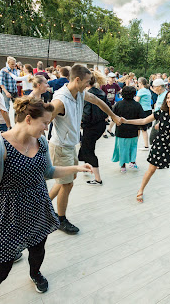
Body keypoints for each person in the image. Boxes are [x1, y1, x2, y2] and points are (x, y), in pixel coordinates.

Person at [0, 96, 92, 303]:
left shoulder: (41, 141)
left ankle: (35, 273)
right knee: (0, 270)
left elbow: (48, 172)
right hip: (7, 214)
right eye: (45, 123)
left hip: (38, 207)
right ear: (29, 119)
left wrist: (76, 167)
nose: (46, 129)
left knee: (38, 249)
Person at [48, 65, 121, 234]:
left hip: (70, 145)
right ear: (77, 80)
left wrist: (114, 116)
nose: (89, 84)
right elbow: (45, 121)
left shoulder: (80, 93)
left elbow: (98, 101)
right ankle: (60, 219)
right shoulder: (60, 100)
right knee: (67, 184)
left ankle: (41, 207)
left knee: (66, 180)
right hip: (60, 147)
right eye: (87, 81)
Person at [122, 90, 170, 204]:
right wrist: (127, 121)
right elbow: (144, 120)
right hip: (159, 144)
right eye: (168, 98)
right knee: (151, 169)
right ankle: (141, 189)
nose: (169, 100)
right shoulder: (161, 112)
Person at [78, 71, 109, 186]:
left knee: (89, 150)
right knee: (86, 146)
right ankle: (87, 167)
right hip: (100, 126)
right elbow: (108, 109)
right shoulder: (101, 92)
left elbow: (86, 114)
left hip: (91, 126)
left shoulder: (87, 95)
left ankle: (98, 179)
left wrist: (80, 122)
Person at [112, 86, 145, 173]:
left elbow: (113, 117)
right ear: (134, 94)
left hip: (120, 131)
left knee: (122, 148)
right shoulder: (137, 105)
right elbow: (142, 117)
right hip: (133, 131)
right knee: (133, 147)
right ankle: (133, 162)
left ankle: (123, 166)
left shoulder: (118, 104)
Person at [148, 78, 168, 146]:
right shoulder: (160, 94)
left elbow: (167, 110)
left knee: (153, 138)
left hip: (161, 119)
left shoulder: (165, 95)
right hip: (157, 117)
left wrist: (160, 121)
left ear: (159, 87)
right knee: (153, 139)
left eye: (154, 87)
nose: (154, 89)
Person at [101, 72, 121, 137]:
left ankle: (109, 129)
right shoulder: (104, 85)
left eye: (114, 78)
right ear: (108, 78)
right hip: (105, 103)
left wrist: (116, 94)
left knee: (114, 116)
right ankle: (103, 132)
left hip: (112, 103)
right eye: (111, 78)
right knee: (105, 118)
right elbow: (100, 92)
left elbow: (119, 90)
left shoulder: (115, 85)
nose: (113, 79)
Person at [135, 77, 152, 150]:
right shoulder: (147, 90)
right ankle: (146, 145)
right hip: (148, 110)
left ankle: (140, 145)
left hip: (142, 111)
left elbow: (136, 102)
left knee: (140, 129)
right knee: (143, 129)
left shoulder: (141, 91)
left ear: (140, 83)